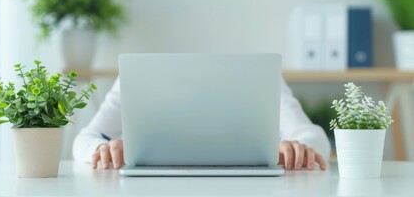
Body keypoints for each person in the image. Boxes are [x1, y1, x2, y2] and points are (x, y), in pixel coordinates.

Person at [73, 77, 331, 171]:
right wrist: (100, 150)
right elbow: (85, 138)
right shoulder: (133, 80)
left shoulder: (264, 79)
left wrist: (301, 147)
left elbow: (314, 136)